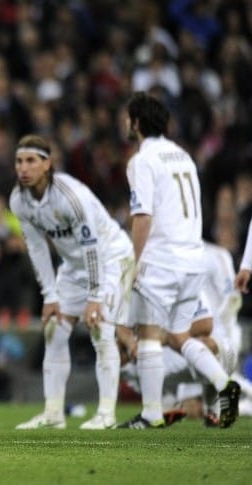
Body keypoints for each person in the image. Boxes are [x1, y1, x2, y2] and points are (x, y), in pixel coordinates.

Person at [119, 91, 240, 428]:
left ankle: (152, 414)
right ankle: (223, 383)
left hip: (163, 259)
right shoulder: (183, 157)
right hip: (192, 258)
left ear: (137, 122)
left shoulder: (142, 160)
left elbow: (142, 216)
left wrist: (133, 262)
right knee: (180, 336)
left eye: (128, 118)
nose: (125, 123)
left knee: (148, 335)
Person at [9, 134, 134, 430]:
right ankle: (53, 413)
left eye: (30, 161)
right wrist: (49, 295)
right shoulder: (19, 200)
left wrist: (94, 296)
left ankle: (106, 414)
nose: (23, 168)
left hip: (111, 259)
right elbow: (37, 248)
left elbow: (92, 248)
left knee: (101, 330)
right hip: (74, 266)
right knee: (53, 329)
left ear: (47, 164)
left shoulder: (70, 196)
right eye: (19, 161)